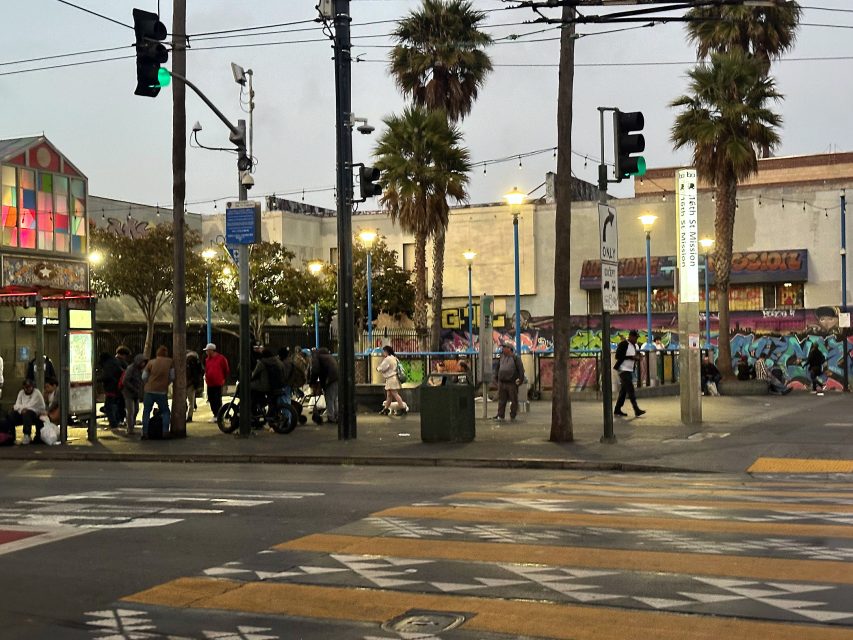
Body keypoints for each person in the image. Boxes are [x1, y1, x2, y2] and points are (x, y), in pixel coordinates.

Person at [141, 346, 174, 439]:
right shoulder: (170, 362)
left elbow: (144, 377)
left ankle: (145, 432)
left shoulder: (151, 362)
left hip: (149, 390)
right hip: (162, 391)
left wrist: (148, 383)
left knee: (146, 411)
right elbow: (172, 376)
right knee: (165, 411)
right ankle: (165, 432)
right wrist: (166, 383)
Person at [614, 330, 646, 417]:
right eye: (635, 338)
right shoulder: (624, 344)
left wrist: (638, 357)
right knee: (630, 389)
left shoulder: (634, 346)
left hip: (629, 370)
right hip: (623, 369)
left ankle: (617, 409)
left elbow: (633, 356)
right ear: (631, 337)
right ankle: (636, 409)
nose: (636, 340)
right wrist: (631, 357)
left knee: (624, 391)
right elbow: (617, 356)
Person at [493, 341, 525, 422]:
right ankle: (500, 415)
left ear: (509, 349)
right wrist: (496, 378)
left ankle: (513, 415)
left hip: (512, 383)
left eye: (504, 347)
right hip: (502, 382)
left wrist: (520, 380)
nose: (502, 349)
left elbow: (521, 370)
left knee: (513, 400)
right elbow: (497, 368)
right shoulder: (501, 357)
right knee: (501, 400)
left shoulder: (516, 358)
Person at [250, 347, 286, 419]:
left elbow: (253, 375)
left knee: (249, 386)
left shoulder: (262, 362)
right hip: (278, 386)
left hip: (265, 386)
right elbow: (284, 373)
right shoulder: (278, 361)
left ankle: (254, 406)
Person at [9, 379, 46, 445]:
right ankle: (11, 436)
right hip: (23, 412)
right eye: (26, 387)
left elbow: (31, 405)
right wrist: (21, 409)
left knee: (27, 413)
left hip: (36, 413)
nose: (28, 389)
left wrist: (21, 408)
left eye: (29, 387)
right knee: (12, 414)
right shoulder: (21, 392)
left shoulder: (36, 393)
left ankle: (27, 435)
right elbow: (16, 405)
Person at [377, 345, 408, 416]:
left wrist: (377, 368)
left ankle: (402, 409)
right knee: (389, 395)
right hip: (394, 378)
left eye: (384, 351)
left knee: (395, 394)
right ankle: (386, 409)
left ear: (386, 351)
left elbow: (383, 367)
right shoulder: (395, 358)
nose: (383, 353)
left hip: (391, 379)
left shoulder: (388, 359)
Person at [98, 351, 125, 429]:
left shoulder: (108, 365)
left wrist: (96, 379)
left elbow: (106, 376)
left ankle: (113, 424)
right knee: (114, 405)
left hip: (111, 387)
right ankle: (116, 421)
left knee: (109, 407)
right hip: (117, 387)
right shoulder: (115, 362)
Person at [311, 347, 339, 422]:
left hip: (330, 379)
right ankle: (337, 416)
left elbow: (315, 370)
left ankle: (331, 417)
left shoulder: (317, 356)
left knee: (329, 399)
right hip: (336, 378)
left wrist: (312, 381)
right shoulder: (329, 356)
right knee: (335, 398)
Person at [203, 343, 230, 421]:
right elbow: (207, 369)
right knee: (211, 398)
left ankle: (218, 414)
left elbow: (226, 369)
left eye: (207, 350)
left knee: (217, 399)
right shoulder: (207, 359)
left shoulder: (221, 358)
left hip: (218, 382)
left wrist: (223, 378)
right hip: (210, 382)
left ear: (211, 350)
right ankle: (215, 414)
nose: (206, 352)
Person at [121, 354, 146, 433]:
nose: (144, 364)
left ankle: (131, 425)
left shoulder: (140, 370)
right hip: (128, 393)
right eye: (142, 362)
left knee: (136, 410)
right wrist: (134, 388)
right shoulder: (131, 368)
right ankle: (130, 428)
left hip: (136, 393)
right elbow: (125, 381)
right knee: (131, 411)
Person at [185, 350, 205, 423]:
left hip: (186, 383)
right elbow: (201, 371)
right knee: (191, 401)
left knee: (187, 400)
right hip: (192, 383)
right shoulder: (197, 362)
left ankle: (187, 414)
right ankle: (190, 416)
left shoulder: (186, 362)